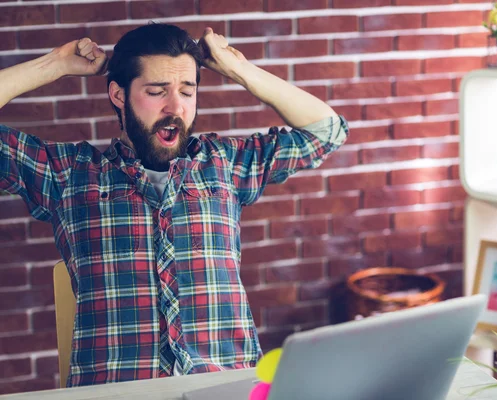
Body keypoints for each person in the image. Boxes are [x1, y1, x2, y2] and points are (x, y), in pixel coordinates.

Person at [0, 23, 348, 387]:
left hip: (226, 387)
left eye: (187, 91)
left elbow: (327, 131)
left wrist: (240, 70)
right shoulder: (70, 176)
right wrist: (54, 64)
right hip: (118, 392)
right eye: (156, 92)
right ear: (118, 96)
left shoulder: (224, 164)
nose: (176, 107)